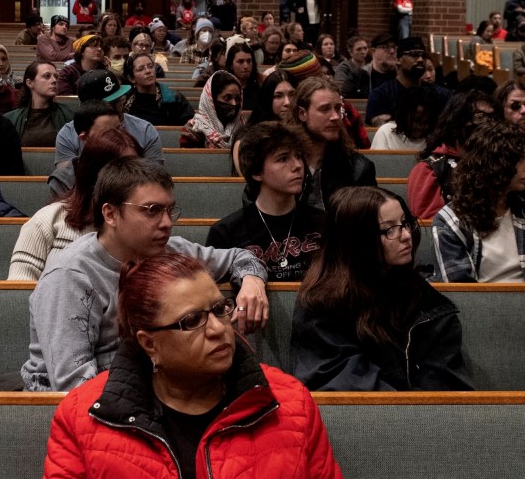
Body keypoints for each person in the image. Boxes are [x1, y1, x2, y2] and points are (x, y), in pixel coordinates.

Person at [14, 249, 381, 479]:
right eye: (192, 322)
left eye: (220, 309)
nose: (220, 330)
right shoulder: (85, 416)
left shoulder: (290, 404)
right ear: (149, 344)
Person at [20, 157, 268, 392]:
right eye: (152, 210)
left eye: (169, 210)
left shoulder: (172, 250)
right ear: (110, 214)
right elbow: (73, 384)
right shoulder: (70, 276)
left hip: (157, 388)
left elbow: (242, 258)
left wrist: (253, 281)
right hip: (78, 404)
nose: (167, 223)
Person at [292, 186, 473, 391]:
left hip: (425, 418)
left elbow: (446, 386)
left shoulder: (428, 304)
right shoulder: (322, 305)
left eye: (405, 223)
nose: (406, 235)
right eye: (390, 230)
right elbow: (338, 379)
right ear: (358, 241)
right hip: (362, 418)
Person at [8, 127, 139, 281]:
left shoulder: (145, 226)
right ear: (93, 173)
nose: (132, 179)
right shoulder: (48, 220)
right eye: (121, 170)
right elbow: (21, 288)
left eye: (136, 170)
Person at [209, 121, 324, 281]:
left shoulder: (324, 223)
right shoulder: (225, 233)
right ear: (256, 172)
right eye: (283, 158)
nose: (297, 165)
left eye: (298, 156)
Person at [433, 121, 525, 283]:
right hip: (484, 305)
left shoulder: (521, 207)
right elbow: (464, 294)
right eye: (520, 160)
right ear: (497, 164)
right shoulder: (450, 220)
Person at [289, 77, 376, 209]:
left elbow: (365, 221)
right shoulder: (280, 163)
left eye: (337, 108)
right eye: (324, 109)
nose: (335, 117)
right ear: (302, 113)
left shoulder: (359, 169)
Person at [407, 90, 494, 218]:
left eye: (492, 117)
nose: (488, 124)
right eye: (479, 116)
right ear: (458, 121)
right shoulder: (430, 169)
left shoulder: (498, 163)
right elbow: (430, 227)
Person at [55, 69, 164, 166]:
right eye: (110, 104)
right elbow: (66, 180)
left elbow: (154, 178)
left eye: (120, 99)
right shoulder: (67, 134)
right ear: (87, 107)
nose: (119, 107)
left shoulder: (145, 130)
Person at [365, 37, 450, 126]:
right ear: (398, 60)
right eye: (414, 55)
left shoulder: (441, 95)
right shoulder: (381, 94)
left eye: (423, 56)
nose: (420, 59)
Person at [6, 61, 74, 148]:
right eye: (47, 76)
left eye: (55, 76)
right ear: (30, 83)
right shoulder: (12, 119)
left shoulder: (67, 115)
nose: (54, 80)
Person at [118, 51, 195, 127]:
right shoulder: (125, 102)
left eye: (150, 66)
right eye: (141, 69)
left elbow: (191, 124)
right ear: (131, 78)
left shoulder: (174, 98)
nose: (148, 71)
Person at [180, 70, 243, 148]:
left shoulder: (244, 128)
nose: (234, 103)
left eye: (237, 98)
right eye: (227, 98)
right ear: (211, 101)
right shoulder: (192, 131)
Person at [369, 86, 436, 151]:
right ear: (403, 116)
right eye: (416, 120)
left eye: (427, 121)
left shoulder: (433, 136)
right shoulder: (386, 132)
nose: (421, 126)